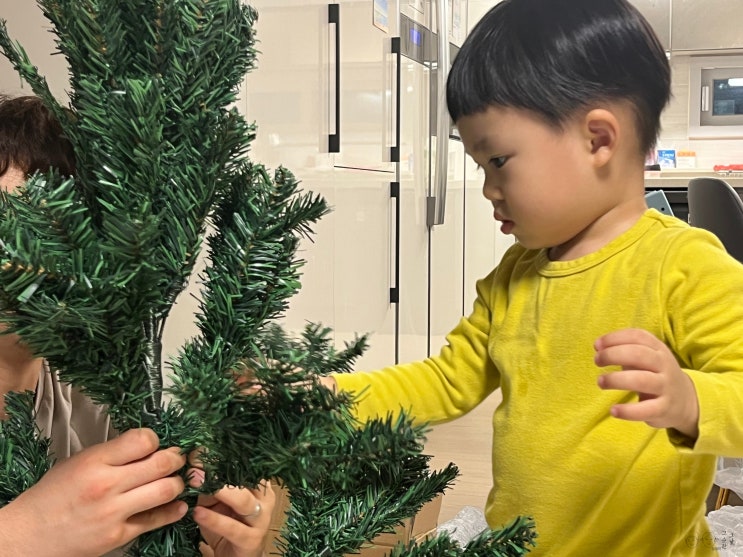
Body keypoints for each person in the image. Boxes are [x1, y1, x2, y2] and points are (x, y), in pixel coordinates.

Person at [323, 1, 743, 555]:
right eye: (480, 167)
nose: (487, 188)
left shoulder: (684, 264)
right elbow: (446, 380)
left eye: (498, 161)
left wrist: (691, 400)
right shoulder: (514, 276)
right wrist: (332, 398)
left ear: (598, 140)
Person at [0, 94, 275, 557]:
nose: (31, 260)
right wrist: (20, 534)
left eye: (65, 231)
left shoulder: (98, 392)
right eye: (11, 222)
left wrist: (230, 543)